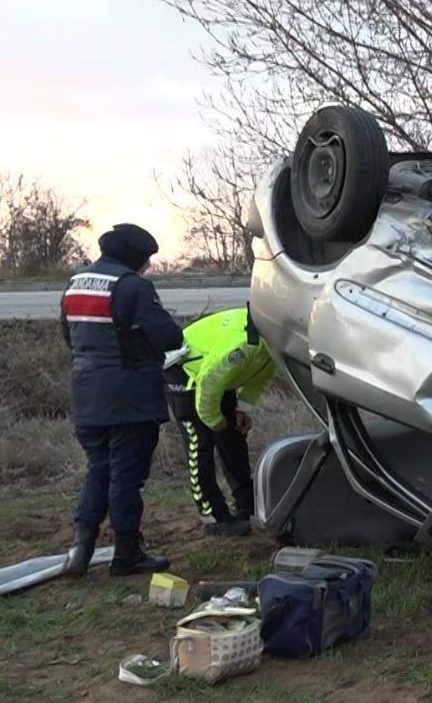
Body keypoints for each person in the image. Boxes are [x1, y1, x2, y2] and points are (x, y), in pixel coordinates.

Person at [61, 223, 184, 577]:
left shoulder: (75, 284)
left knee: (98, 468)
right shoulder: (133, 287)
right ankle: (126, 553)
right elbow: (170, 337)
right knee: (126, 478)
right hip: (130, 398)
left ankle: (80, 548)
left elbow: (69, 338)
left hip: (86, 396)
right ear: (136, 257)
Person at [163, 306, 279, 537]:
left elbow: (261, 376)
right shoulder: (242, 345)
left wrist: (242, 408)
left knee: (233, 437)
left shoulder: (274, 344)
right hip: (187, 371)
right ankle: (213, 515)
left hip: (218, 375)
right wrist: (214, 420)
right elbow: (208, 383)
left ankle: (246, 504)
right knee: (200, 441)